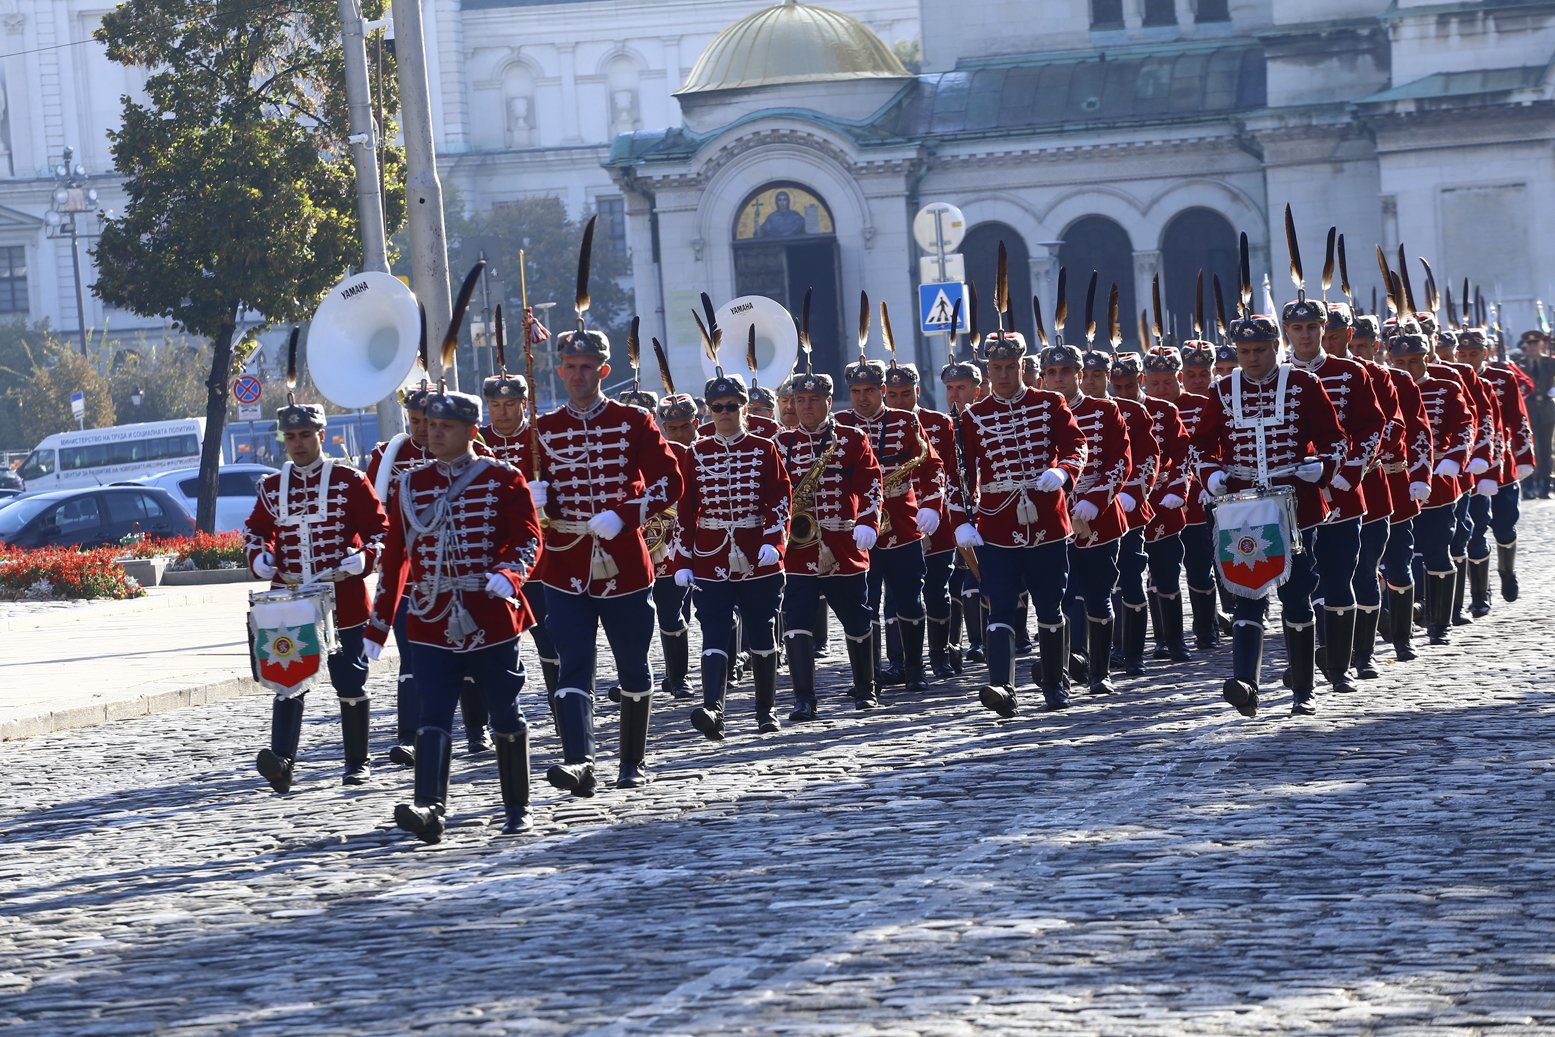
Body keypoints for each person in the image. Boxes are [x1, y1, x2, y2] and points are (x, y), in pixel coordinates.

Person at [365, 389, 544, 842]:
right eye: (428, 424)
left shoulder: (503, 478)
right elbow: (395, 560)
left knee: (505, 710)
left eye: (444, 426)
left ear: (470, 430)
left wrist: (511, 573)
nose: (433, 433)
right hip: (429, 616)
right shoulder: (410, 484)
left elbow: (527, 540)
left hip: (489, 613)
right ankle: (429, 806)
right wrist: (378, 624)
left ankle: (517, 807)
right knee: (433, 713)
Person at [529, 322, 683, 795]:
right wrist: (530, 497)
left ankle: (632, 762)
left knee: (632, 663)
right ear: (559, 371)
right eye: (570, 368)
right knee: (572, 661)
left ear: (603, 370)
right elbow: (521, 503)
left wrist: (627, 512)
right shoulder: (543, 429)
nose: (578, 376)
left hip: (625, 563)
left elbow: (669, 482)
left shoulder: (633, 422)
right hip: (565, 562)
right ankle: (579, 760)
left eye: (587, 368)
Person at [1192, 314, 1348, 718]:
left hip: (1295, 501)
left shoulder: (1303, 383)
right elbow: (1201, 446)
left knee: (1297, 594)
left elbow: (1335, 438)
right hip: (1242, 505)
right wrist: (1211, 475)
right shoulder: (1222, 390)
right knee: (1246, 591)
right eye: (1245, 352)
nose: (1253, 358)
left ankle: (1302, 686)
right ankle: (1245, 682)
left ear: (1276, 346)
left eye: (1260, 350)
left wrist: (1322, 466)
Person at [244, 399, 388, 792]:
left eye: (305, 435)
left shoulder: (349, 480)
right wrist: (259, 557)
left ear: (321, 435)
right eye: (290, 436)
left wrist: (365, 558)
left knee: (350, 682)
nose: (298, 443)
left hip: (343, 598)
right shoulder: (272, 486)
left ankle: (358, 762)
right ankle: (282, 760)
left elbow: (382, 532)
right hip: (291, 602)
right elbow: (256, 531)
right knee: (287, 676)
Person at [949, 329, 1086, 716]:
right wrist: (961, 520)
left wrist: (1063, 472)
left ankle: (1055, 683)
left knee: (1049, 604)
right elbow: (959, 474)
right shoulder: (973, 416)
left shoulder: (1050, 402)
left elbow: (1077, 445)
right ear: (987, 369)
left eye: (1011, 367)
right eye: (997, 368)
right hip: (997, 522)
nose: (1004, 375)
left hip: (1046, 517)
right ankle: (1001, 685)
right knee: (1001, 606)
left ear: (1023, 367)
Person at [366, 388, 493, 763]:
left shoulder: (478, 457)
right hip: (412, 574)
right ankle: (411, 735)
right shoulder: (386, 455)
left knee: (469, 651)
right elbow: (376, 508)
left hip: (461, 570)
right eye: (415, 420)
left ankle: (476, 728)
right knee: (411, 656)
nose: (421, 429)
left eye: (428, 421)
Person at [675, 371, 792, 739]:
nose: (724, 413)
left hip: (758, 554)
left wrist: (775, 542)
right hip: (711, 555)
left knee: (760, 632)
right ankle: (713, 710)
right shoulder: (696, 453)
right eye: (717, 407)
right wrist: (682, 560)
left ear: (743, 408)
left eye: (732, 406)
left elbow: (780, 499)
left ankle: (765, 710)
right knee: (713, 630)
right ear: (708, 411)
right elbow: (685, 509)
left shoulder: (764, 448)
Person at [1285, 296, 1385, 695]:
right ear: (1287, 331)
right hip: (1294, 497)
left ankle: (1342, 665)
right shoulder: (1276, 373)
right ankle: (1307, 662)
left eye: (1312, 327)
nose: (1305, 335)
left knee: (1341, 578)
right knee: (1297, 583)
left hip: (1341, 491)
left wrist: (1348, 473)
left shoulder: (1351, 373)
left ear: (1324, 328)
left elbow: (1371, 427)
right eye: (1297, 328)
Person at [775, 366, 882, 719]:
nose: (806, 407)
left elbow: (871, 484)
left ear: (828, 401)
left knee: (856, 618)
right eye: (800, 400)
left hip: (842, 544)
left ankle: (866, 689)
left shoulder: (851, 439)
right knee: (797, 621)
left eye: (814, 400)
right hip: (798, 549)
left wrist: (868, 522)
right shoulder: (781, 443)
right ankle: (804, 698)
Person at [839, 356, 944, 695]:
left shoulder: (904, 420)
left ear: (883, 390)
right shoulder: (838, 425)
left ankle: (914, 668)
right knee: (863, 602)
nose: (862, 398)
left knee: (909, 599)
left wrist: (932, 505)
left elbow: (933, 466)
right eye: (855, 391)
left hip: (901, 519)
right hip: (857, 526)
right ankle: (868, 677)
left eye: (869, 390)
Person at [1042, 341, 1131, 695]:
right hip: (1052, 519)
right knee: (1056, 599)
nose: (1059, 378)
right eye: (1052, 372)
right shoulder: (1037, 409)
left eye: (1066, 371)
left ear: (1079, 375)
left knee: (1098, 595)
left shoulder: (1106, 411)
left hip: (1099, 518)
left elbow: (1121, 461)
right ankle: (1060, 671)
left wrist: (1097, 500)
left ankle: (1099, 670)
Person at [1385, 329, 1473, 647]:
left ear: (1427, 357)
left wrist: (1454, 459)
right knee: (1400, 555)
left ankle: (1440, 622)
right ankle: (1407, 615)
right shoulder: (1384, 387)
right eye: (1400, 361)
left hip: (1437, 482)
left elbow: (1465, 425)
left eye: (1414, 360)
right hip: (1396, 484)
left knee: (1436, 552)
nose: (1407, 367)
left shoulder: (1446, 387)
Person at [884, 363, 961, 678]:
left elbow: (953, 472)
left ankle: (940, 655)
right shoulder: (881, 423)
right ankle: (898, 660)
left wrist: (945, 512)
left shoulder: (938, 423)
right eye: (892, 394)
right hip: (896, 522)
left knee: (936, 590)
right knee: (896, 595)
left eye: (905, 394)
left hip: (934, 518)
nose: (899, 400)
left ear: (917, 391)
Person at [1116, 349, 1192, 664]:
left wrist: (1178, 488)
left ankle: (1172, 640)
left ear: (1141, 381)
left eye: (1129, 386)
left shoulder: (1164, 410)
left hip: (1160, 500)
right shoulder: (1108, 411)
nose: (1123, 393)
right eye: (1117, 387)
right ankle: (1125, 644)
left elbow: (1184, 455)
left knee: (1166, 575)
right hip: (1121, 505)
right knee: (1125, 578)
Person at [1457, 328, 1534, 610]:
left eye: (1473, 353)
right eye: (1462, 354)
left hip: (1502, 468)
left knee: (1504, 527)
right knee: (1475, 533)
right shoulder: (1453, 380)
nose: (1468, 358)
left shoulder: (1503, 378)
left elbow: (1518, 419)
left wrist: (1525, 457)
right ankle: (1480, 595)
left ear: (1485, 352)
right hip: (1470, 469)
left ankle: (1507, 571)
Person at [1095, 352, 1160, 677]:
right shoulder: (1065, 411)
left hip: (1127, 510)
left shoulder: (1133, 412)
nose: (1094, 383)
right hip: (1083, 514)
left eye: (1097, 377)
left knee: (1130, 580)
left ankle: (1133, 652)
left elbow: (1148, 459)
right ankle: (1095, 653)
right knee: (1088, 587)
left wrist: (1134, 493)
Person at [1165, 339, 1219, 648]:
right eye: (1191, 373)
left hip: (1200, 500)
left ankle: (1205, 629)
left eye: (1204, 373)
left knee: (1201, 569)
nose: (1197, 380)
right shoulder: (1152, 409)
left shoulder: (1207, 406)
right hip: (1162, 504)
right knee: (1162, 573)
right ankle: (1166, 636)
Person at [939, 354, 986, 666]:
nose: (955, 394)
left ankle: (991, 638)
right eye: (950, 388)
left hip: (988, 507)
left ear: (976, 391)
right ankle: (961, 643)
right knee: (958, 579)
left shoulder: (985, 420)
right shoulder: (943, 424)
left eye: (961, 387)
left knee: (986, 576)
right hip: (954, 509)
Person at [652, 392, 699, 698]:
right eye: (673, 429)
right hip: (659, 544)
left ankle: (677, 672)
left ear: (696, 423)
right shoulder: (654, 454)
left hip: (695, 542)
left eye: (685, 427)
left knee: (684, 610)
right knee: (668, 610)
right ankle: (677, 677)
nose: (680, 434)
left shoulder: (706, 451)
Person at [1516, 330, 1555, 498]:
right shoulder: (1519, 365)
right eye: (1529, 344)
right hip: (1527, 410)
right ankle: (1529, 485)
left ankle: (1545, 484)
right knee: (1529, 448)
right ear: (1526, 345)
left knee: (1546, 450)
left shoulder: (1550, 362)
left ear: (1541, 344)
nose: (1532, 347)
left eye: (1535, 343)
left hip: (1546, 410)